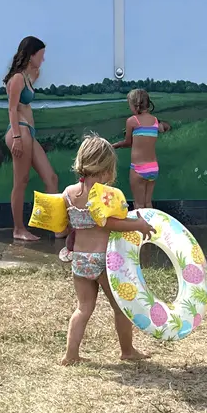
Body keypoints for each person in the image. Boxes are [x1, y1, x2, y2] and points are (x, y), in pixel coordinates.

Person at [60, 134, 155, 366]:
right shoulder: (104, 195)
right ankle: (127, 350)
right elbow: (109, 224)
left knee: (83, 308)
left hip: (80, 259)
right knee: (121, 308)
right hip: (103, 260)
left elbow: (68, 223)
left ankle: (70, 355)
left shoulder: (69, 193)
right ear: (105, 169)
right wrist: (138, 225)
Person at [3, 36, 59, 243]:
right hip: (20, 132)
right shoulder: (17, 78)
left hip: (28, 133)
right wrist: (17, 137)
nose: (43, 60)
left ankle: (52, 225)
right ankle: (18, 228)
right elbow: (11, 108)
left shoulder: (26, 77)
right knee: (21, 181)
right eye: (41, 55)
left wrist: (34, 71)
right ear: (31, 54)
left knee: (51, 178)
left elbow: (35, 73)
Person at [112, 88, 164, 209]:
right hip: (153, 168)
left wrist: (113, 146)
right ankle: (151, 227)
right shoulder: (155, 120)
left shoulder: (132, 121)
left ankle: (139, 228)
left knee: (139, 205)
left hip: (138, 168)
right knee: (148, 203)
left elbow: (128, 142)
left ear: (135, 105)